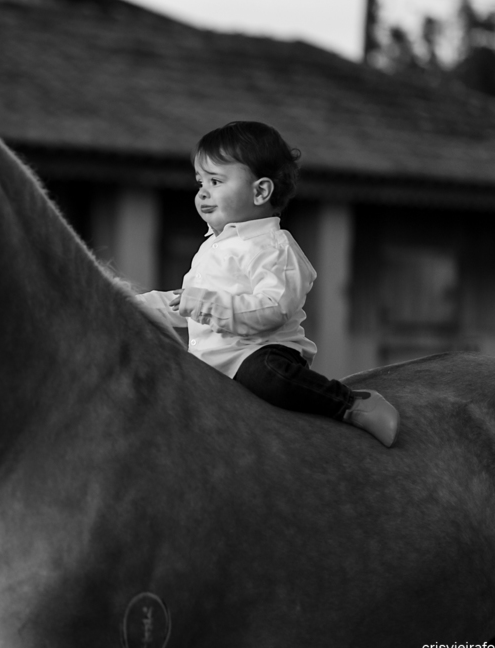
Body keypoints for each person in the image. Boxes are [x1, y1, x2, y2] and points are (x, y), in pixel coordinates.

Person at [140, 121, 399, 447]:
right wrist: (130, 302)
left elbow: (273, 309)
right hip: (210, 362)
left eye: (216, 181)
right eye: (200, 182)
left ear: (260, 191)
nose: (202, 192)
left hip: (261, 353)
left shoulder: (275, 248)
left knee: (268, 378)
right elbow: (187, 301)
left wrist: (202, 304)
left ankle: (352, 404)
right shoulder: (211, 247)